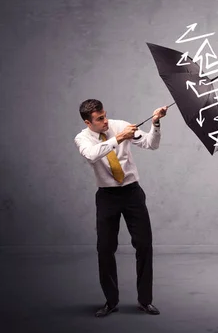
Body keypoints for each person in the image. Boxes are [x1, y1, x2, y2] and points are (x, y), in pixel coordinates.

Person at [74, 99, 168, 317]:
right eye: (99, 119)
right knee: (105, 249)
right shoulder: (82, 138)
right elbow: (91, 154)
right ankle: (111, 301)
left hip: (132, 193)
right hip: (107, 197)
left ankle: (145, 300)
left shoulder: (120, 125)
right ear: (89, 123)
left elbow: (151, 144)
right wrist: (119, 138)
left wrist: (155, 123)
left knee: (144, 245)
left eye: (105, 115)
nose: (105, 121)